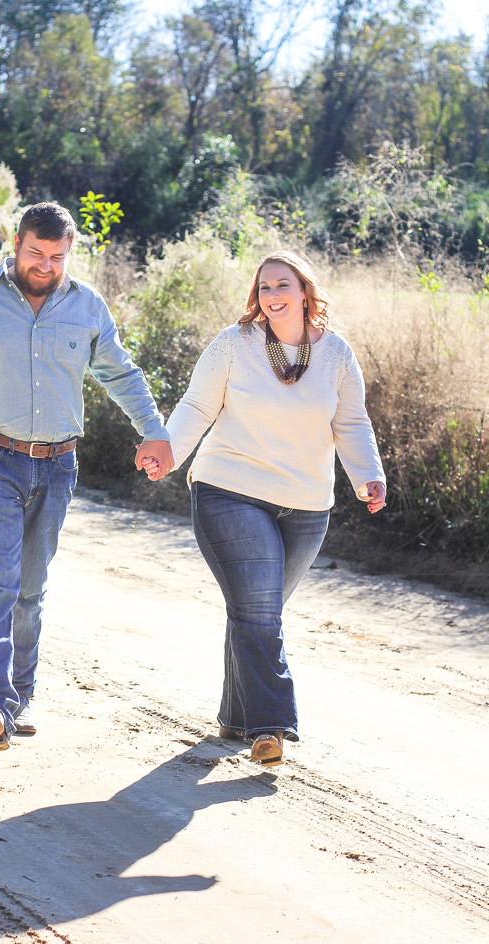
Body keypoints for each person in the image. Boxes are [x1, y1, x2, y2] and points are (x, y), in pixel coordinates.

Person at [0, 202, 173, 751]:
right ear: (15, 242)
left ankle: (17, 697)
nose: (45, 266)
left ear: (68, 253)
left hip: (58, 465)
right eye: (36, 253)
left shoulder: (86, 307)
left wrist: (155, 428)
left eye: (56, 256)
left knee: (30, 589)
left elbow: (120, 372)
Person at [140, 250, 385, 768]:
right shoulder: (234, 345)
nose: (273, 296)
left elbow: (352, 424)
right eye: (265, 287)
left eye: (283, 285)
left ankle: (235, 715)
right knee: (257, 611)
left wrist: (368, 475)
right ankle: (270, 726)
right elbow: (197, 406)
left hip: (306, 505)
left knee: (258, 612)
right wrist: (168, 449)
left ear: (304, 292)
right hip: (229, 490)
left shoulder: (336, 354)